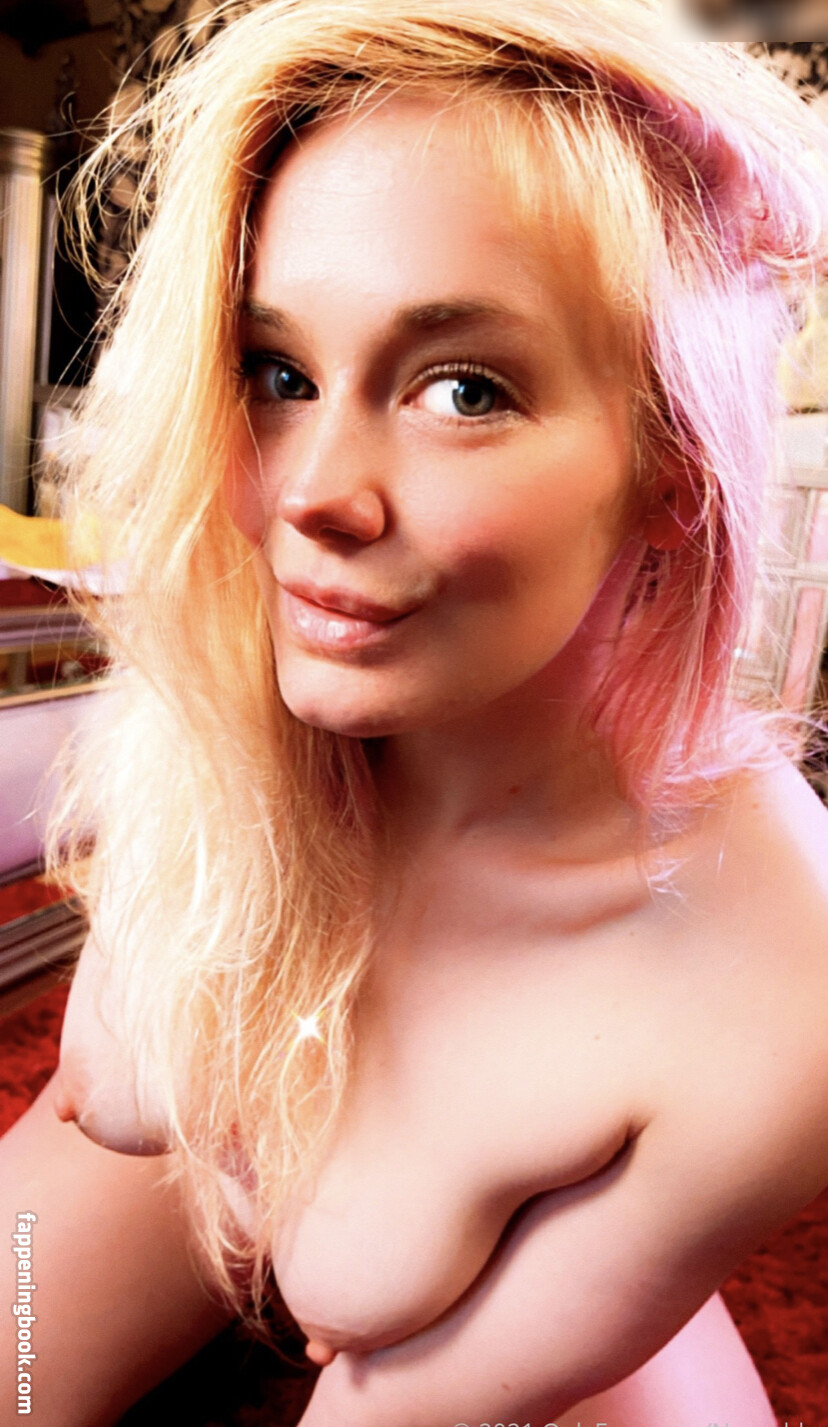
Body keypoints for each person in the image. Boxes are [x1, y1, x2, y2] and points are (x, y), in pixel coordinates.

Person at [2, 1, 828, 1422]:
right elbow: (103, 1093)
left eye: (463, 388)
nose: (310, 495)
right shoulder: (222, 684)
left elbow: (390, 1403)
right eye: (279, 373)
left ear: (673, 465)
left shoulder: (782, 992)